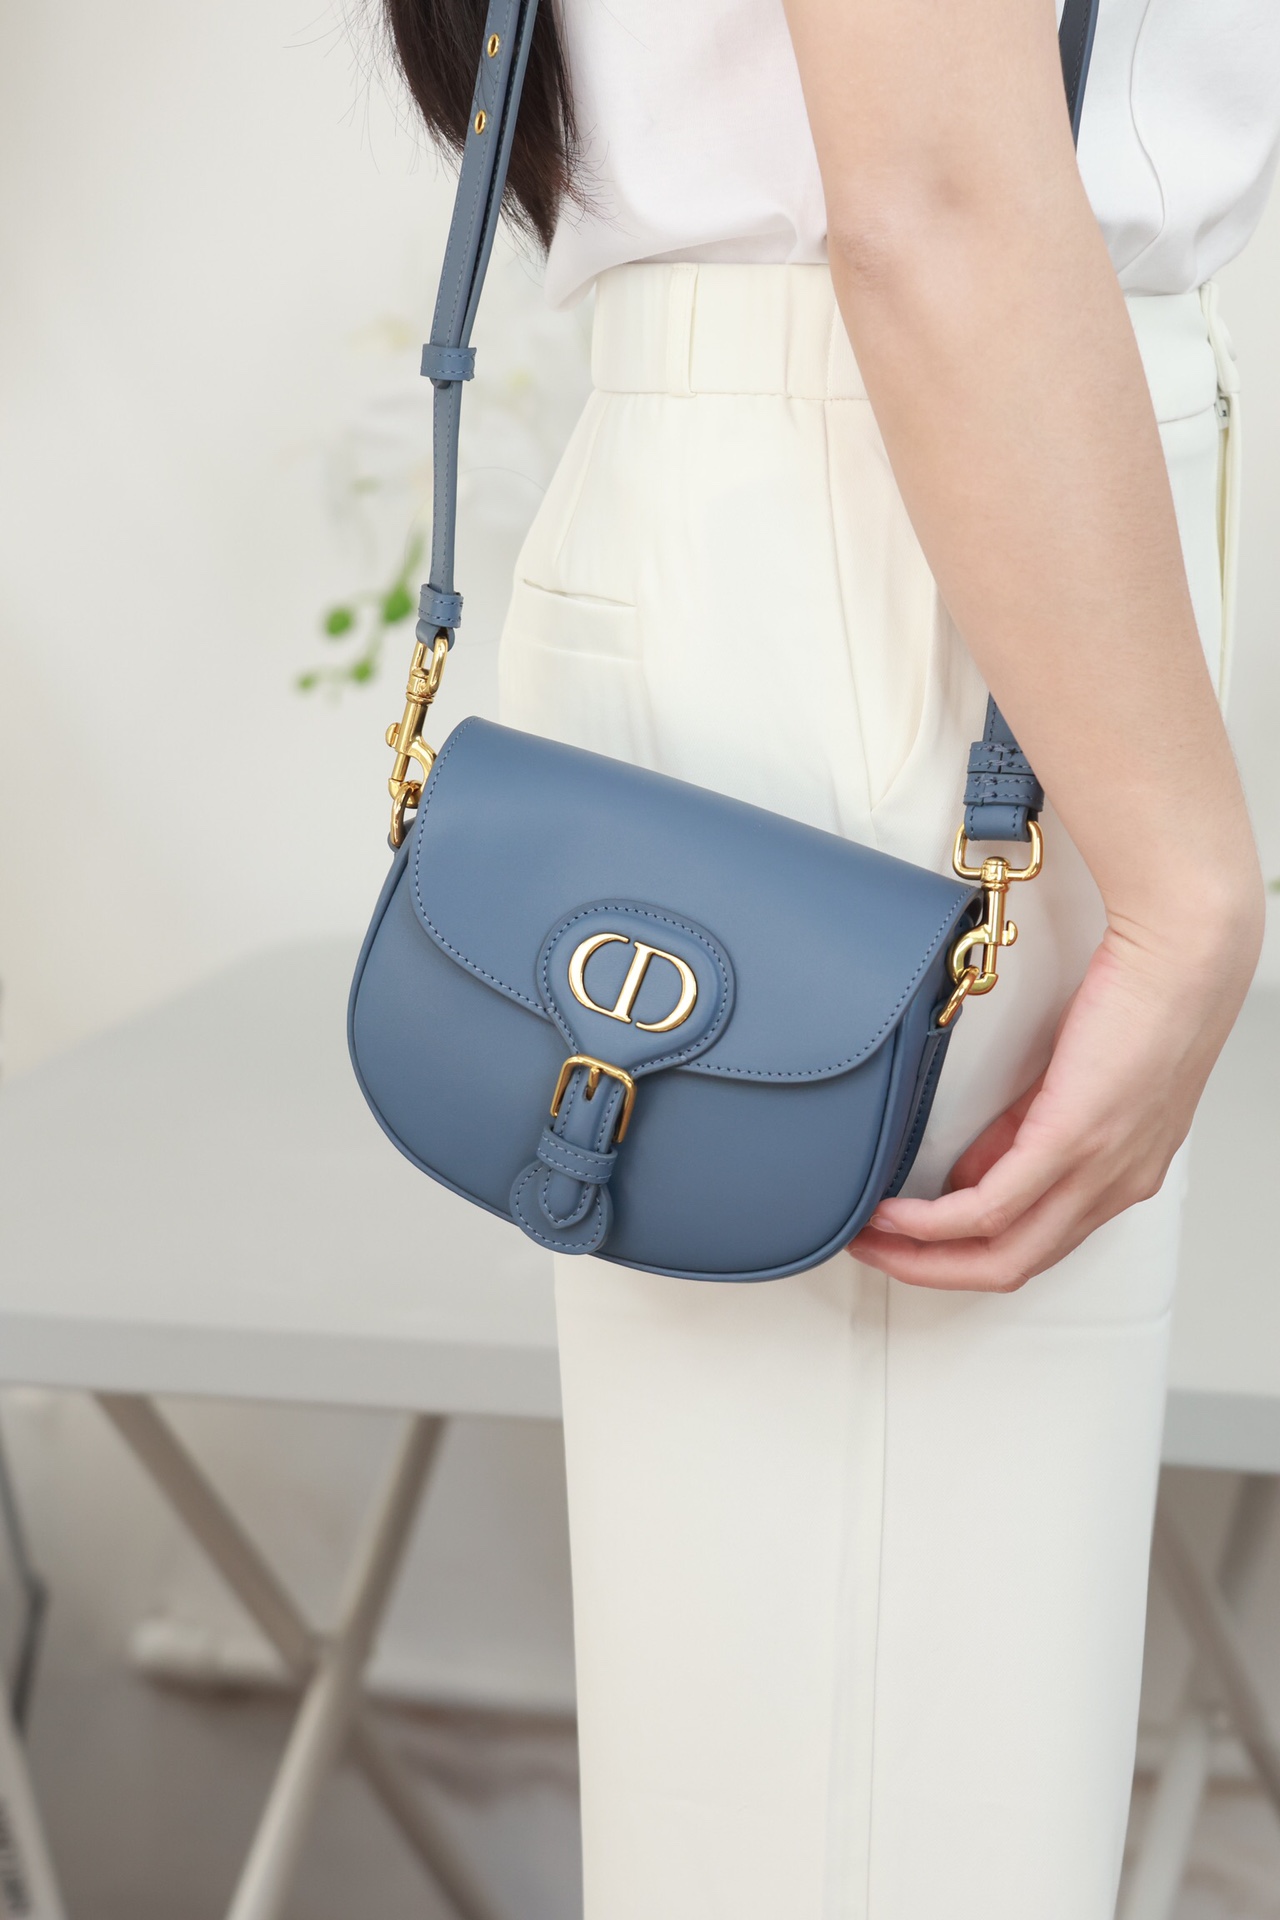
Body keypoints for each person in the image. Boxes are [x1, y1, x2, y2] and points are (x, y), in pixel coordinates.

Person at [387, 1, 1274, 1912]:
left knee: (814, 1737)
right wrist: (1196, 887)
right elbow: (938, 190)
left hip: (896, 482)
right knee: (898, 1785)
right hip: (932, 495)